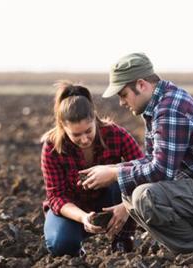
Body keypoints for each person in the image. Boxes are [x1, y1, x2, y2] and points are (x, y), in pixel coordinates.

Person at [80, 53, 193, 257]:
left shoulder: (171, 109)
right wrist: (114, 170)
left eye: (123, 94)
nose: (122, 102)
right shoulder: (159, 105)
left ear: (141, 85)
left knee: (144, 196)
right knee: (132, 189)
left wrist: (114, 174)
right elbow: (152, 160)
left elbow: (161, 171)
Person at [41, 81, 144, 256]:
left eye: (88, 131)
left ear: (94, 118)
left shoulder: (116, 134)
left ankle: (122, 241)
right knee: (60, 244)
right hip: (73, 208)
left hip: (112, 200)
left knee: (124, 176)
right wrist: (83, 217)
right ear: (63, 127)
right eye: (76, 135)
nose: (84, 139)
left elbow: (144, 169)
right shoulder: (52, 147)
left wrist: (126, 207)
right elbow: (56, 196)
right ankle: (76, 250)